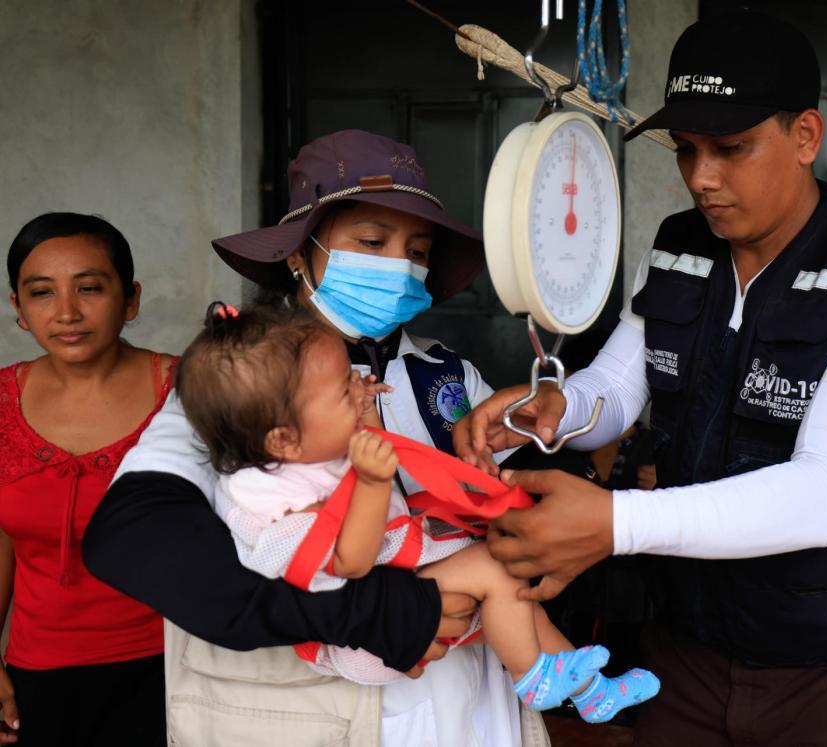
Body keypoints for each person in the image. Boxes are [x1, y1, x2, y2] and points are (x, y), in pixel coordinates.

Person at [455, 9, 827, 746]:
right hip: (684, 659)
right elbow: (620, 388)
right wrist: (552, 405)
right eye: (685, 150)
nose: (701, 178)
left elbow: (819, 496)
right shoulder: (680, 247)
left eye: (731, 148)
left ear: (805, 136)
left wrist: (611, 526)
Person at [81, 131, 549, 746]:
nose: (398, 265)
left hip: (471, 698)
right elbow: (131, 538)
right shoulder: (237, 386)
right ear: (301, 253)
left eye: (417, 249)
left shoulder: (448, 374)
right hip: (322, 711)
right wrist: (370, 609)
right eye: (372, 242)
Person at [174, 301, 657, 721]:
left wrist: (360, 411)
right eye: (345, 391)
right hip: (369, 634)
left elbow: (357, 444)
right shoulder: (268, 498)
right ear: (282, 437)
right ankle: (531, 675)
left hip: (407, 586)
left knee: (519, 599)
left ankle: (592, 693)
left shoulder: (303, 449)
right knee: (499, 571)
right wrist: (371, 481)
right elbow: (352, 562)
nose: (360, 389)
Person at [0, 213, 175, 745]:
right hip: (37, 678)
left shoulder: (189, 391)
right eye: (42, 293)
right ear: (20, 310)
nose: (67, 313)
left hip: (176, 668)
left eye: (90, 288)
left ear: (130, 299)